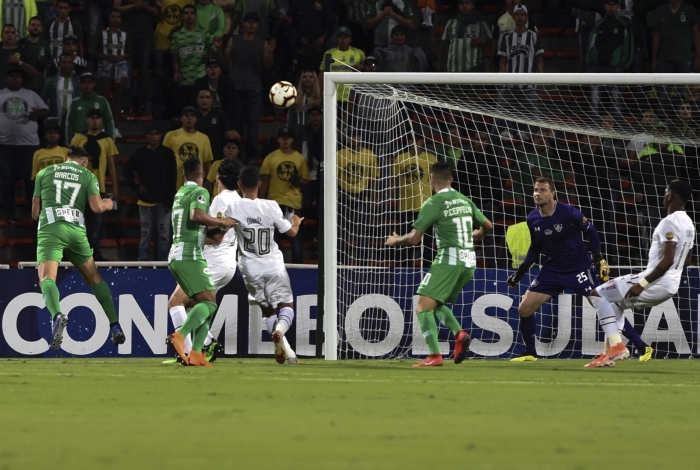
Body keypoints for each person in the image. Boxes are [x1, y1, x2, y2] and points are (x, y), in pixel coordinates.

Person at [505, 176, 651, 362]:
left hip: (579, 269)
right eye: (535, 190)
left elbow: (591, 231)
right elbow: (535, 247)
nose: (537, 194)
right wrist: (520, 273)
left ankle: (642, 347)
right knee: (524, 308)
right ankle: (530, 353)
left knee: (605, 306)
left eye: (542, 190)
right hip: (553, 270)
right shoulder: (532, 218)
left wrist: (598, 257)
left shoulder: (568, 212)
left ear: (552, 193)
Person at [385, 161, 493, 367]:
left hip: (448, 259)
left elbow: (414, 239)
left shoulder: (433, 203)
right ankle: (459, 333)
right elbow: (488, 225)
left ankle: (434, 355)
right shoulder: (464, 199)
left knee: (422, 307)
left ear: (431, 180)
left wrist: (395, 241)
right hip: (469, 261)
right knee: (435, 304)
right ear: (451, 179)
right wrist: (478, 233)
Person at [585, 180, 694, 367]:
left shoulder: (670, 221)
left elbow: (667, 259)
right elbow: (687, 259)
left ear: (670, 197)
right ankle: (609, 352)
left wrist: (641, 284)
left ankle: (617, 347)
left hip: (654, 281)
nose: (663, 195)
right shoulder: (689, 223)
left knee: (596, 294)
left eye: (665, 192)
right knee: (615, 303)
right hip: (671, 285)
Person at [31, 146, 124, 350]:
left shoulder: (44, 172)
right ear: (84, 161)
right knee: (94, 278)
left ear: (66, 158)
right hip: (76, 230)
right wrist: (109, 203)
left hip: (52, 228)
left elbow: (34, 212)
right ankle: (115, 325)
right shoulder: (87, 175)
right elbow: (97, 207)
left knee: (47, 278)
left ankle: (57, 315)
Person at [166, 159, 241, 364]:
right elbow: (213, 229)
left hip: (207, 259)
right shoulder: (236, 199)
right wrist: (221, 223)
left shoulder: (198, 196)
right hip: (219, 260)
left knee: (184, 303)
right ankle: (193, 349)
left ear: (217, 177)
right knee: (198, 304)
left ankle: (193, 347)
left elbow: (215, 236)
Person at [228, 165, 304, 365]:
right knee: (286, 306)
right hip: (273, 265)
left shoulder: (233, 207)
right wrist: (296, 222)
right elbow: (291, 233)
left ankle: (288, 353)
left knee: (267, 310)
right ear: (260, 183)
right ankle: (280, 332)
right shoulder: (271, 206)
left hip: (250, 269)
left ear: (239, 185)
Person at [223, 12, 275, 164]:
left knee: (253, 125)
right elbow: (225, 63)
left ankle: (252, 156)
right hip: (236, 87)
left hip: (254, 88)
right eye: (249, 22)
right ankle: (236, 154)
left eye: (254, 22)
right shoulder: (234, 41)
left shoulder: (262, 43)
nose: (251, 24)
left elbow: (268, 66)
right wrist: (221, 49)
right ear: (243, 24)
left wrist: (270, 53)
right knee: (236, 124)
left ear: (258, 25)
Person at [70, 109, 119, 261]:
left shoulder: (107, 140)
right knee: (77, 221)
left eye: (98, 118)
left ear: (102, 121)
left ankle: (94, 251)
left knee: (96, 222)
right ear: (87, 120)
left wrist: (115, 188)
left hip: (98, 187)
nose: (94, 121)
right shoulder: (78, 138)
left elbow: (111, 166)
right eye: (92, 118)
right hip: (79, 186)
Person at [0, 67, 48, 224]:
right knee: (7, 180)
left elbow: (46, 111)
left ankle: (34, 215)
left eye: (18, 77)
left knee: (31, 180)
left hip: (29, 145)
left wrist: (37, 114)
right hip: (5, 145)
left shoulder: (31, 94)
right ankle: (7, 214)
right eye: (12, 76)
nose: (15, 79)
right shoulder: (1, 95)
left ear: (22, 79)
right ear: (7, 79)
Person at [123, 123, 177, 261]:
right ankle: (142, 262)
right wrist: (136, 186)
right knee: (146, 234)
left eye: (156, 134)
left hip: (163, 201)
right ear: (146, 136)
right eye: (151, 134)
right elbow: (126, 170)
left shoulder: (167, 153)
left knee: (164, 236)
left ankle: (163, 263)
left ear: (160, 136)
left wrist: (169, 201)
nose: (154, 137)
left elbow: (173, 177)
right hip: (145, 201)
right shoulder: (140, 153)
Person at [260, 126, 310, 264]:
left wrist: (298, 181)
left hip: (293, 201)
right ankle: (274, 264)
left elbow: (306, 179)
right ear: (278, 139)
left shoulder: (299, 158)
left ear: (292, 140)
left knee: (295, 237)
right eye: (282, 138)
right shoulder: (271, 157)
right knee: (274, 237)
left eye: (288, 138)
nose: (285, 141)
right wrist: (261, 199)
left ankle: (298, 265)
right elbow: (265, 180)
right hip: (274, 201)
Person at [494, 5, 544, 139]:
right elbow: (503, 60)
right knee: (498, 115)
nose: (520, 17)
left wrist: (541, 78)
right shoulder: (507, 37)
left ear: (526, 17)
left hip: (528, 86)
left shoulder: (534, 36)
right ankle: (503, 133)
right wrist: (501, 79)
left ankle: (529, 132)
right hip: (509, 85)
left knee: (536, 117)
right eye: (517, 15)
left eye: (522, 14)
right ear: (514, 17)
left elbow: (539, 59)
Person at [586, 0, 634, 125]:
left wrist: (623, 66)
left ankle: (617, 134)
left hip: (615, 69)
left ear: (618, 6)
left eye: (614, 4)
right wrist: (589, 64)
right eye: (608, 4)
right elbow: (590, 46)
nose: (611, 7)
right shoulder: (599, 24)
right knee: (594, 102)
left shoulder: (624, 23)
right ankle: (594, 135)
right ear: (604, 6)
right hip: (597, 69)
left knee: (616, 101)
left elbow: (628, 47)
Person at [651, 0, 700, 121]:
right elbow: (656, 35)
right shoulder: (660, 11)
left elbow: (696, 33)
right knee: (663, 94)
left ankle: (684, 125)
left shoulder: (688, 9)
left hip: (684, 58)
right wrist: (654, 59)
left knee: (684, 95)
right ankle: (662, 125)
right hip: (664, 59)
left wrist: (698, 56)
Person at [392, 134, 436, 265]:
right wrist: (391, 197)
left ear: (422, 141)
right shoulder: (401, 158)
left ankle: (428, 268)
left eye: (417, 140)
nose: (414, 143)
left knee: (427, 241)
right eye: (411, 140)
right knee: (405, 240)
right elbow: (394, 180)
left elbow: (435, 181)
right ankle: (404, 268)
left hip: (426, 206)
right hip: (406, 206)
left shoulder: (431, 158)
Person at [92, 8, 132, 139]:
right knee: (103, 98)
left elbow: (131, 52)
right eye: (113, 16)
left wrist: (121, 57)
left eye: (118, 16)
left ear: (121, 19)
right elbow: (93, 49)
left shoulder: (125, 35)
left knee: (117, 99)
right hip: (105, 65)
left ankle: (115, 128)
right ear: (109, 19)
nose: (115, 19)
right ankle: (102, 126)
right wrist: (104, 56)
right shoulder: (101, 34)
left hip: (121, 66)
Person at [114, 0, 158, 117]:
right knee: (125, 72)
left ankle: (142, 105)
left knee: (144, 72)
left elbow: (156, 12)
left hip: (145, 36)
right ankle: (126, 105)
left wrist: (144, 6)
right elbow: (116, 9)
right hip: (127, 36)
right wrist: (133, 6)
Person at [171, 4, 216, 113]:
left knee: (201, 110)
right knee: (186, 110)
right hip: (185, 78)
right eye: (186, 13)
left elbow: (212, 48)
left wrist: (208, 56)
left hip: (200, 77)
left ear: (195, 16)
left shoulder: (203, 32)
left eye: (191, 13)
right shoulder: (177, 35)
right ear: (182, 17)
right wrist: (176, 72)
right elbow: (175, 55)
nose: (189, 16)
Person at [163, 105, 214, 189]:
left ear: (196, 119)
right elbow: (164, 159)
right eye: (186, 115)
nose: (189, 118)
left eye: (192, 116)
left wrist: (207, 183)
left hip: (197, 184)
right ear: (181, 118)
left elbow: (207, 162)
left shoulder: (204, 138)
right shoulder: (171, 136)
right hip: (175, 182)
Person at [318, 26, 364, 109]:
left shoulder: (358, 53)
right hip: (332, 94)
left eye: (345, 37)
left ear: (350, 39)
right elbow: (322, 73)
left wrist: (362, 67)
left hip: (351, 96)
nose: (343, 40)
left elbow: (369, 69)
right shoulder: (329, 53)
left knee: (349, 121)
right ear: (336, 38)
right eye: (340, 37)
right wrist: (318, 93)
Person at [439, 0, 492, 73]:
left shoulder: (481, 24)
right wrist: (440, 63)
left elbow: (491, 42)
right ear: (458, 6)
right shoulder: (451, 23)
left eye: (467, 3)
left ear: (472, 5)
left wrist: (481, 41)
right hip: (453, 67)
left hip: (474, 67)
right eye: (461, 3)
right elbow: (444, 44)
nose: (464, 6)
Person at [65, 72, 114, 141]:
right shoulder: (75, 103)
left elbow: (109, 120)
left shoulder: (102, 101)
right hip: (80, 139)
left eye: (89, 82)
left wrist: (110, 140)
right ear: (80, 85)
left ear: (94, 84)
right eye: (84, 82)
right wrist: (69, 142)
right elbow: (70, 123)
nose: (87, 85)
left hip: (99, 139)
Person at [194, 88, 237, 163]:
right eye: (201, 97)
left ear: (212, 100)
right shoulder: (193, 116)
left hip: (217, 156)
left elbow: (229, 136)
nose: (204, 100)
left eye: (207, 97)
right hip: (196, 155)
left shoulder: (220, 115)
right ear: (197, 100)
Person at [42, 52, 80, 130]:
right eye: (64, 62)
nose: (67, 65)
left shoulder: (78, 82)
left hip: (74, 121)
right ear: (59, 64)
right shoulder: (50, 81)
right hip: (55, 122)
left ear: (73, 65)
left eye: (69, 62)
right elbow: (42, 100)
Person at [193, 57, 235, 122]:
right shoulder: (199, 84)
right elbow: (195, 104)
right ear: (206, 71)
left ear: (220, 70)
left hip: (223, 115)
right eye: (210, 67)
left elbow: (232, 105)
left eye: (215, 67)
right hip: (205, 114)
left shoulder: (228, 83)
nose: (213, 69)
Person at [0, 23, 39, 89]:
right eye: (7, 32)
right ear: (1, 35)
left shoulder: (23, 51)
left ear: (16, 36)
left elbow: (34, 71)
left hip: (18, 91)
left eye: (12, 33)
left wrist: (18, 62)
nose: (10, 34)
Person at [19, 16, 51, 95]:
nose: (35, 27)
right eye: (33, 25)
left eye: (38, 25)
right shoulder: (20, 43)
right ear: (27, 28)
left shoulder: (45, 46)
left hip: (38, 84)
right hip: (22, 83)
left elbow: (48, 64)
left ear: (41, 29)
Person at [288, 69, 321, 138]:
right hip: (298, 127)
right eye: (305, 77)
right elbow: (291, 115)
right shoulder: (294, 96)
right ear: (301, 79)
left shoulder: (320, 96)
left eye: (311, 77)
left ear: (315, 79)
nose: (307, 79)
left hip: (315, 128)